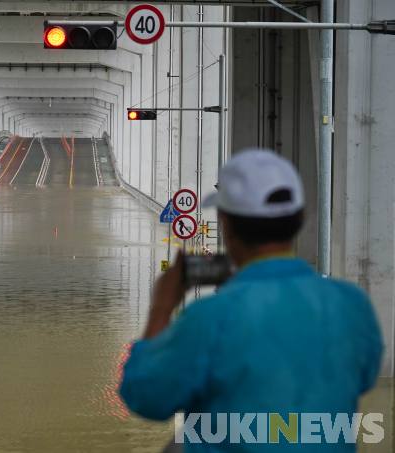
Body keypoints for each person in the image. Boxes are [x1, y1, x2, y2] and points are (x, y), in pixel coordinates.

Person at [119, 149, 383, 451]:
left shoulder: (210, 317)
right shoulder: (351, 304)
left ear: (226, 225)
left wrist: (161, 306)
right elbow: (363, 378)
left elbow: (147, 398)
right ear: (299, 219)